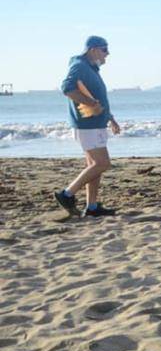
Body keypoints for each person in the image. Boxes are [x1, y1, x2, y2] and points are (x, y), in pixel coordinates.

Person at [53, 36, 121, 217]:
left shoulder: (91, 68)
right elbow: (67, 88)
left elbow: (98, 97)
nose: (107, 54)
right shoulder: (79, 66)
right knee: (102, 164)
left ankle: (92, 208)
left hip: (96, 124)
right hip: (87, 125)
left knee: (94, 167)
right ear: (93, 49)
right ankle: (66, 194)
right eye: (105, 49)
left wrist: (110, 118)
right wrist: (91, 103)